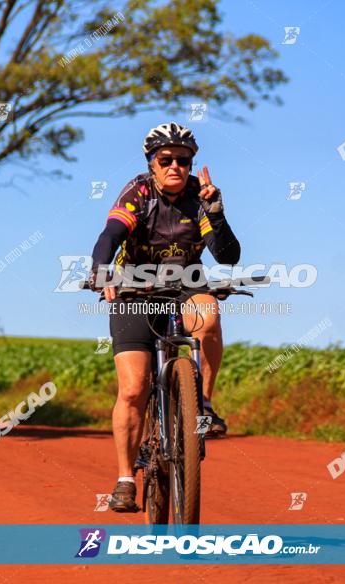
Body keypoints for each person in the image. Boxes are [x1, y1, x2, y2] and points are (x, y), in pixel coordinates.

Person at [89, 122, 241, 512]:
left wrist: (217, 213)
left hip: (186, 282)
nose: (175, 166)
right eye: (166, 159)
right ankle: (125, 479)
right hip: (134, 287)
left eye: (184, 160)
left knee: (208, 318)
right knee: (134, 389)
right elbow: (110, 234)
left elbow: (227, 256)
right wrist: (102, 269)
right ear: (152, 164)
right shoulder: (138, 192)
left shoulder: (198, 198)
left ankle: (202, 407)